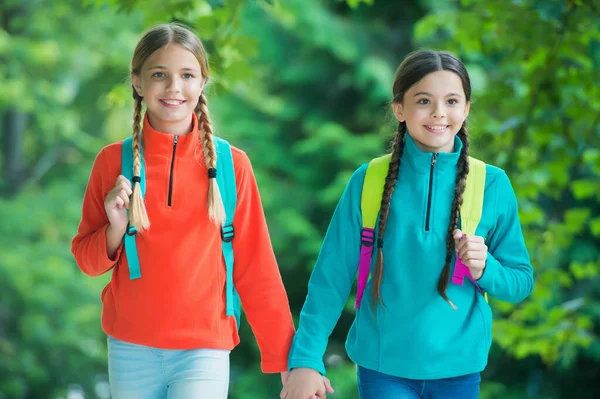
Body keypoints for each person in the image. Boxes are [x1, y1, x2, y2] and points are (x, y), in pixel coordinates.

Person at [281, 49, 534, 399]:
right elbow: (330, 278)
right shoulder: (368, 180)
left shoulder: (492, 184)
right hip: (383, 370)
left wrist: (485, 267)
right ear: (399, 108)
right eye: (424, 100)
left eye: (451, 101)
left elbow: (520, 282)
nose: (438, 113)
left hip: (459, 371)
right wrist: (305, 360)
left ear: (466, 109)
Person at [71, 22, 295, 399]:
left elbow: (256, 268)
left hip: (204, 349)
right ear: (138, 83)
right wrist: (115, 228)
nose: (174, 87)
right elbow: (88, 262)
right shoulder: (112, 162)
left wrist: (289, 361)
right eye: (160, 75)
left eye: (187, 75)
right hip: (129, 347)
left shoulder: (231, 165)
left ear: (202, 83)